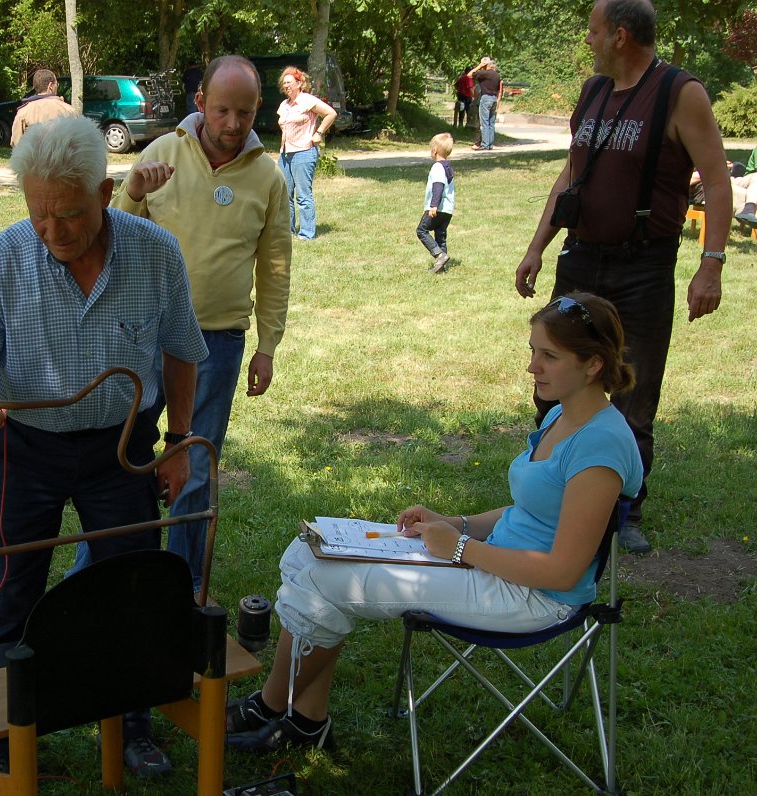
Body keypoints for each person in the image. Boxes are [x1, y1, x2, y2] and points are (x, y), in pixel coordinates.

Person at [226, 292, 643, 752]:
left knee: (327, 580)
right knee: (309, 548)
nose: (532, 367)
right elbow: (530, 511)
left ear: (594, 365)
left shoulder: (600, 447)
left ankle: (272, 707)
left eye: (549, 356)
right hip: (494, 564)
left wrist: (460, 548)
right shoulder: (564, 413)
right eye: (532, 352)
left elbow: (563, 570)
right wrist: (456, 523)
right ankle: (305, 719)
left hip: (536, 597)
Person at [0, 115, 208, 777]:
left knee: (133, 587)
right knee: (10, 588)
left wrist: (176, 444)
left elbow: (180, 353)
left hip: (122, 448)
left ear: (107, 193)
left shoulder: (156, 253)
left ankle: (133, 722)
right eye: (40, 216)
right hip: (23, 447)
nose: (54, 232)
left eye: (70, 214)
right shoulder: (0, 261)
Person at [514, 0, 729, 555]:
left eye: (593, 31)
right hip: (582, 258)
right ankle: (549, 494)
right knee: (554, 380)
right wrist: (538, 246)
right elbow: (570, 175)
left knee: (633, 390)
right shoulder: (593, 92)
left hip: (643, 266)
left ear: (622, 35)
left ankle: (623, 513)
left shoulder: (680, 93)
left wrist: (712, 263)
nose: (587, 40)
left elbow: (717, 178)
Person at [105, 54, 292, 592]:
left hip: (219, 344)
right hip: (149, 339)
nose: (233, 124)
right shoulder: (162, 153)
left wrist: (268, 345)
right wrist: (134, 191)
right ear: (200, 104)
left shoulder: (267, 176)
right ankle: (120, 570)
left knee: (197, 464)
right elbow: (116, 237)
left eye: (246, 112)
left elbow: (275, 263)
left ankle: (179, 587)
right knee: (132, 460)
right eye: (223, 110)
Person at [276, 66, 337, 241]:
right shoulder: (284, 105)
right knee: (284, 195)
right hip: (285, 154)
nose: (286, 86)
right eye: (284, 83)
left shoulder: (307, 100)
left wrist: (318, 133)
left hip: (304, 152)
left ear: (299, 83)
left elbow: (331, 113)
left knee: (303, 195)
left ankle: (307, 233)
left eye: (289, 83)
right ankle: (287, 231)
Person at [416, 132, 456, 274]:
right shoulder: (448, 167)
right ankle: (441, 268)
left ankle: (439, 256)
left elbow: (438, 187)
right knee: (440, 236)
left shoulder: (437, 167)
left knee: (421, 230)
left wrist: (432, 206)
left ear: (434, 151)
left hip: (437, 208)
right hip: (447, 210)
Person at [9, 68, 78, 147]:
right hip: (62, 159)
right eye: (57, 84)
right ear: (50, 86)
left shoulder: (23, 112)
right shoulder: (69, 110)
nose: (57, 87)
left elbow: (16, 144)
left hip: (33, 158)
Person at [472, 57, 501, 150]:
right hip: (494, 99)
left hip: (485, 98)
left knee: (484, 123)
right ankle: (490, 145)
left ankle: (485, 144)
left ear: (487, 65)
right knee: (491, 123)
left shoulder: (485, 73)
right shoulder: (497, 75)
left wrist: (480, 65)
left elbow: (469, 75)